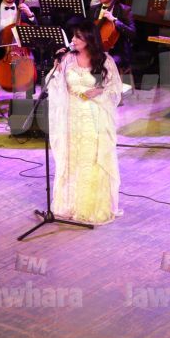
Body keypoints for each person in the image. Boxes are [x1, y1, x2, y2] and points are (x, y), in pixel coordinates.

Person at [48, 20, 124, 224]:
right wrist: (56, 69)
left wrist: (99, 92)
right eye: (73, 36)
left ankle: (89, 207)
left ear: (89, 39)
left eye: (78, 37)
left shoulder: (103, 60)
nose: (73, 40)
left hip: (93, 114)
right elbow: (55, 85)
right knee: (71, 157)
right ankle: (69, 205)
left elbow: (114, 89)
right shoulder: (67, 58)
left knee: (90, 157)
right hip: (70, 115)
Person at [88, 0, 135, 70]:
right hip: (94, 49)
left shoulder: (125, 10)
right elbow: (88, 30)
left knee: (104, 64)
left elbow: (132, 33)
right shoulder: (94, 9)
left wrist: (114, 20)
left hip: (116, 51)